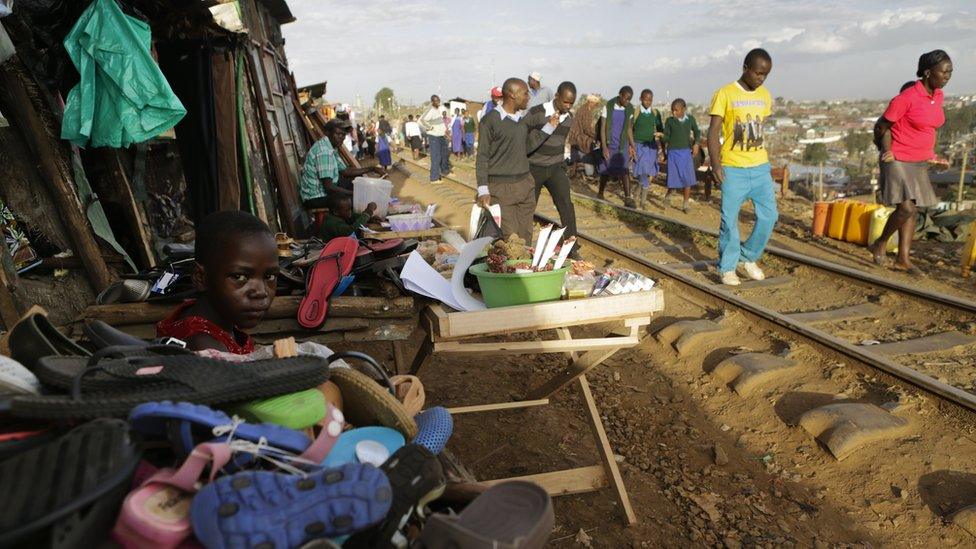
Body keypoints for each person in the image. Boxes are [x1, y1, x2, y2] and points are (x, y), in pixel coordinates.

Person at [868, 49, 952, 274]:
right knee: (905, 208)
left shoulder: (938, 96)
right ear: (927, 72)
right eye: (943, 72)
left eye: (950, 72)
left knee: (912, 210)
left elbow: (925, 129)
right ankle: (880, 243)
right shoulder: (906, 98)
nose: (947, 76)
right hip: (896, 158)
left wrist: (933, 157)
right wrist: (885, 149)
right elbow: (881, 126)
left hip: (918, 160)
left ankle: (903, 259)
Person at [156, 211, 277, 354]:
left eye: (269, 276)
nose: (260, 292)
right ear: (200, 277)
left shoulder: (213, 319)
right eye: (239, 277)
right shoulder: (206, 350)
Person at [707, 48, 777, 286]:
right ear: (745, 68)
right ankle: (727, 267)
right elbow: (713, 131)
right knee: (729, 220)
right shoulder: (725, 93)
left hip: (760, 167)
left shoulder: (765, 95)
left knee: (769, 216)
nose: (761, 78)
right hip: (732, 168)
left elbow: (758, 127)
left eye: (765, 75)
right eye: (758, 73)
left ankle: (747, 258)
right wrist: (715, 164)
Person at [475, 77, 534, 242]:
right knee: (511, 239)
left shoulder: (523, 120)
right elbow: (482, 156)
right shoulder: (490, 121)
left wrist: (549, 128)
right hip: (501, 189)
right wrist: (483, 189)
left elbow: (527, 147)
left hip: (525, 186)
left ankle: (524, 267)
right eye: (525, 93)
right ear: (512, 95)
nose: (528, 97)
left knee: (526, 237)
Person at [526, 81, 579, 255]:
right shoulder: (536, 113)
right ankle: (523, 244)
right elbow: (521, 139)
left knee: (566, 204)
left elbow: (561, 143)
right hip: (534, 167)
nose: (568, 106)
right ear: (556, 96)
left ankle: (571, 246)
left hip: (555, 167)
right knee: (528, 207)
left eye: (571, 103)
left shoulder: (568, 118)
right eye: (565, 102)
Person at [298, 118, 385, 210]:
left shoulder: (331, 148)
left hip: (323, 192)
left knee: (356, 184)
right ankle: (354, 221)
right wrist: (354, 193)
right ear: (327, 133)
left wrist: (373, 168)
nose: (342, 137)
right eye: (338, 134)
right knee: (352, 200)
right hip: (314, 197)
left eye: (343, 135)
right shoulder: (324, 151)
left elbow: (345, 171)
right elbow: (329, 187)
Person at [597, 86, 637, 207]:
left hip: (622, 144)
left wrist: (632, 145)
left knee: (624, 170)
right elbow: (602, 128)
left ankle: (628, 197)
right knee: (606, 169)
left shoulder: (630, 109)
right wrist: (604, 146)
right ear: (620, 95)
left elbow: (629, 129)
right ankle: (600, 193)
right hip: (609, 143)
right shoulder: (608, 106)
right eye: (626, 98)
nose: (627, 101)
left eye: (630, 99)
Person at [663, 98, 701, 212]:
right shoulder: (669, 121)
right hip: (673, 152)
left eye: (676, 110)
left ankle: (685, 204)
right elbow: (667, 137)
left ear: (683, 109)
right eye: (672, 111)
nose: (674, 113)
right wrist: (661, 137)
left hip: (685, 152)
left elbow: (697, 132)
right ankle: (669, 194)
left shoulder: (690, 120)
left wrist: (696, 144)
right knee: (673, 178)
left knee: (687, 178)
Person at [632, 89, 664, 209]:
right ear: (641, 99)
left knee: (645, 171)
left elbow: (661, 130)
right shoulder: (636, 112)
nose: (648, 102)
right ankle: (640, 199)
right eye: (645, 99)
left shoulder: (655, 113)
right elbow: (630, 128)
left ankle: (640, 199)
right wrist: (631, 145)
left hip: (650, 147)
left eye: (650, 100)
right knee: (642, 171)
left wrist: (661, 140)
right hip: (638, 146)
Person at [567, 94, 602, 176]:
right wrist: (597, 137)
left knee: (575, 155)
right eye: (595, 104)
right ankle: (590, 170)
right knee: (591, 147)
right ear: (590, 102)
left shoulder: (582, 108)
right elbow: (587, 129)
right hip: (579, 137)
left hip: (574, 136)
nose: (595, 106)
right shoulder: (586, 112)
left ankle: (574, 170)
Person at [420, 95, 451, 182]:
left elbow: (439, 123)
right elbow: (422, 120)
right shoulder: (430, 110)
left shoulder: (437, 109)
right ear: (432, 101)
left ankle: (444, 171)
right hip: (434, 137)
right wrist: (430, 128)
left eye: (438, 100)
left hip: (441, 136)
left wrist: (445, 131)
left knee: (444, 154)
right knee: (436, 157)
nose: (438, 102)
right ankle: (434, 178)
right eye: (436, 101)